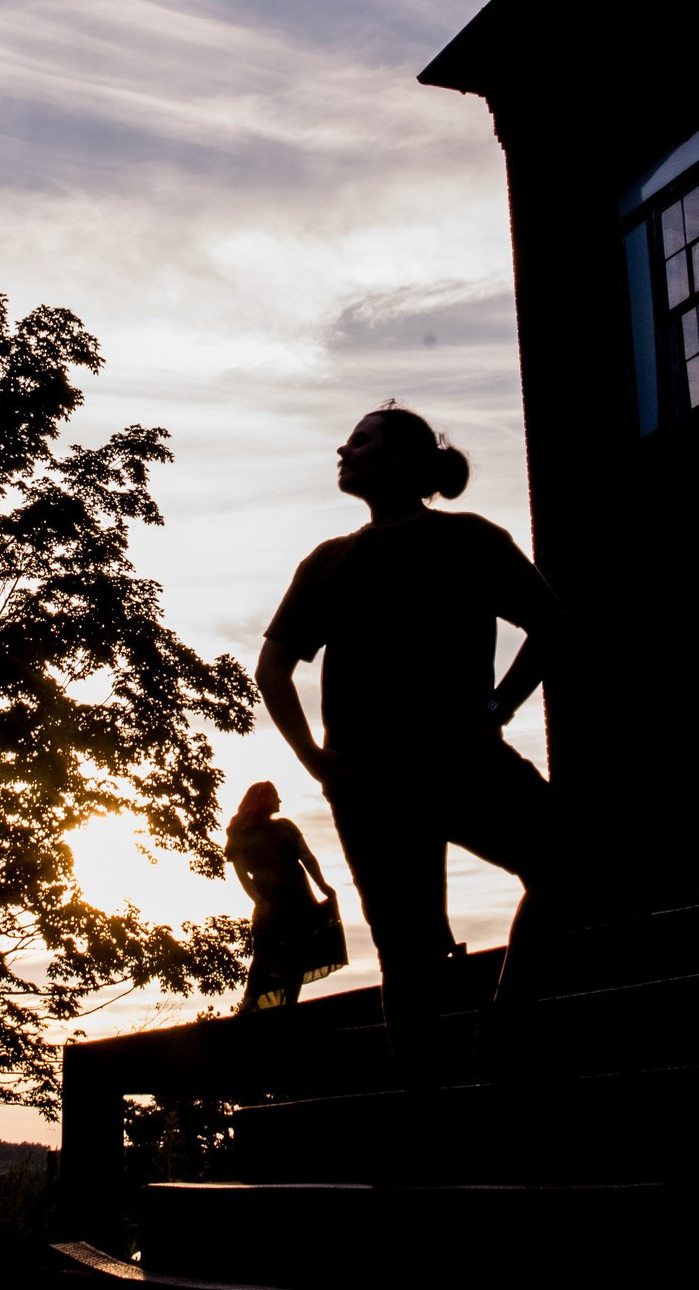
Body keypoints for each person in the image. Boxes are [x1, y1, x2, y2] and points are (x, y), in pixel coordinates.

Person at [255, 404, 565, 1077]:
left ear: (400, 458)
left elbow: (552, 625)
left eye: (360, 440)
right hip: (371, 782)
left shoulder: (470, 540)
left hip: (460, 762)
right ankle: (429, 1104)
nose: (344, 450)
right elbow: (271, 668)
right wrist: (314, 759)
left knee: (564, 868)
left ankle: (505, 1021)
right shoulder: (328, 561)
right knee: (407, 951)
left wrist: (498, 706)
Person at [224, 781, 343, 1012]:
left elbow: (307, 857)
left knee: (290, 949)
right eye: (275, 796)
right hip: (272, 896)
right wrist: (259, 901)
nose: (279, 800)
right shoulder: (242, 832)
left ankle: (284, 1005)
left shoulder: (282, 826)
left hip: (294, 895)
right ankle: (252, 1006)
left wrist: (322, 885)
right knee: (269, 950)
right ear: (262, 800)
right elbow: (242, 873)